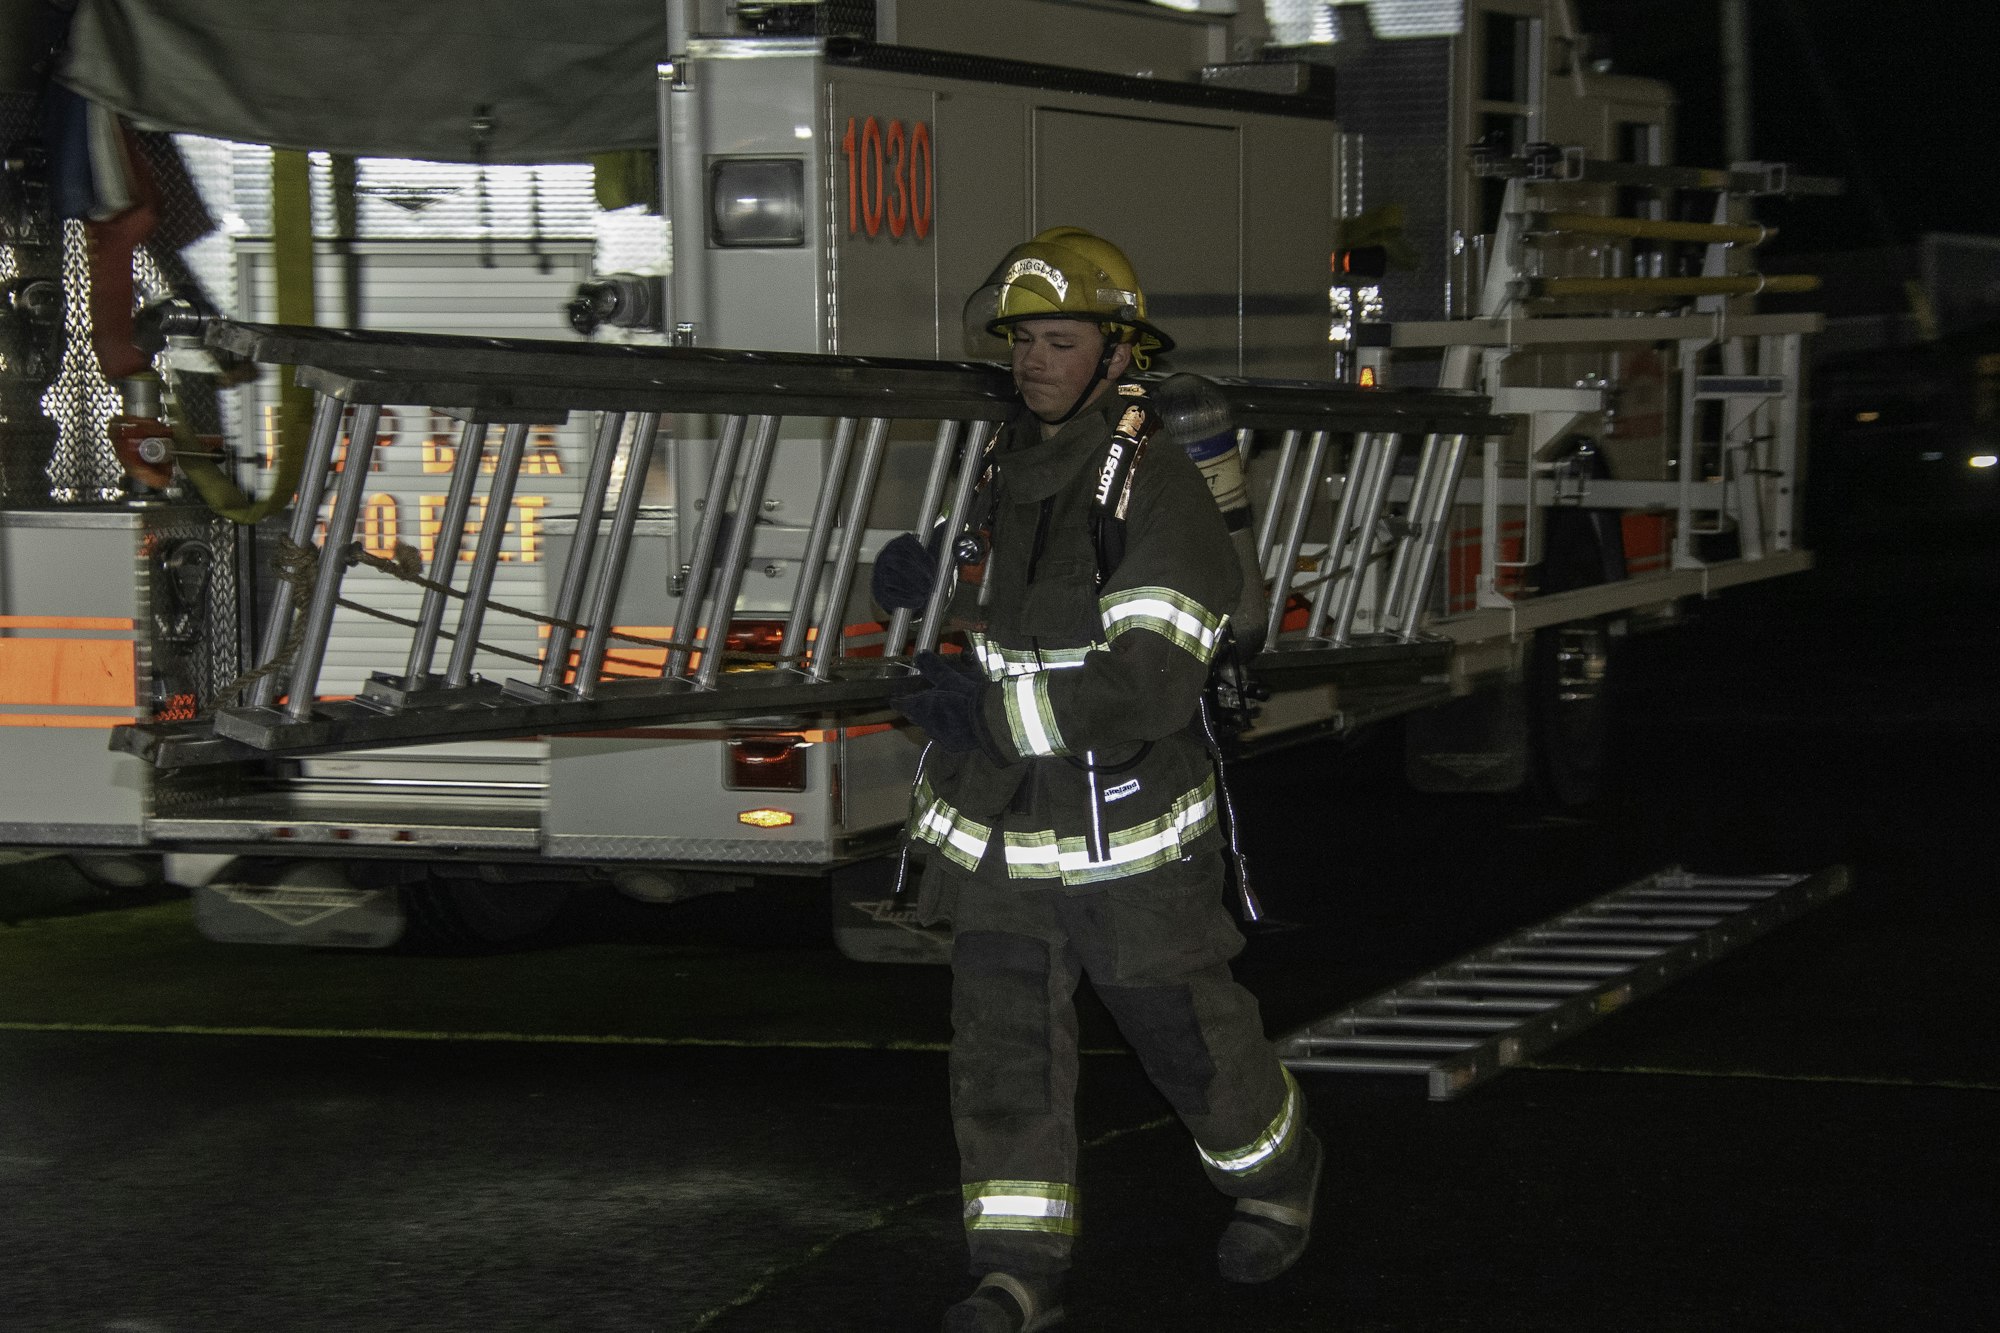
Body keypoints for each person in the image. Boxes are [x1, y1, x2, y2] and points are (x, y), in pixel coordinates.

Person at [872, 228, 1322, 1333]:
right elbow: (1008, 595)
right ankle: (1016, 1273)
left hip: (1126, 842)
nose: (1031, 360)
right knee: (1000, 1056)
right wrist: (936, 568)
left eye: (1057, 340)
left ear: (1118, 352)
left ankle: (1277, 1175)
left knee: (1189, 1043)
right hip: (1004, 836)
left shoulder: (1155, 485)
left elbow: (1145, 689)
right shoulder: (1009, 466)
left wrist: (981, 711)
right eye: (1021, 339)